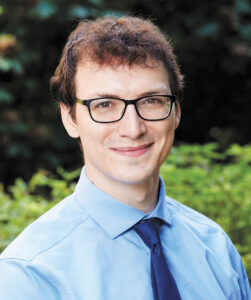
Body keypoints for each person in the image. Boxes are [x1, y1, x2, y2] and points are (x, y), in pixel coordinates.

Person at [0, 16, 250, 300]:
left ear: (176, 110)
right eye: (105, 104)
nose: (133, 129)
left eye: (151, 100)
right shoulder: (28, 276)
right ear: (69, 118)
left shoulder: (215, 249)